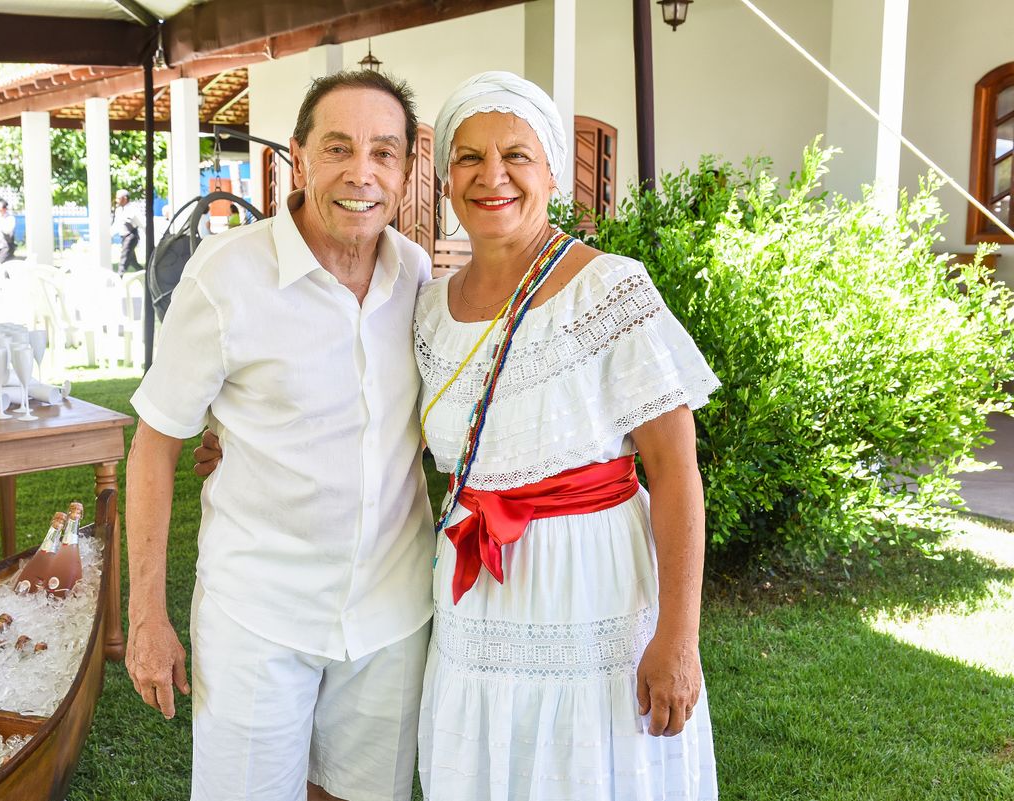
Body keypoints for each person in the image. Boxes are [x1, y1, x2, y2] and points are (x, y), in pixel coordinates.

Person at [194, 70, 722, 801]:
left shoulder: (613, 289)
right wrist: (244, 442)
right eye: (469, 157)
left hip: (590, 589)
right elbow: (376, 411)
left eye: (516, 156)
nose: (491, 176)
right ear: (442, 179)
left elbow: (677, 470)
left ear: (553, 173)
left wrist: (677, 636)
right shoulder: (429, 304)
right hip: (474, 598)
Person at [125, 70, 433, 801]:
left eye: (383, 152)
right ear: (299, 158)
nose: (361, 172)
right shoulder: (226, 276)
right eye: (338, 148)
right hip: (257, 614)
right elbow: (156, 445)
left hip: (391, 614)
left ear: (408, 170)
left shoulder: (417, 275)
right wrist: (146, 615)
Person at [113, 188, 143, 273]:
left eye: (119, 198)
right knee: (133, 261)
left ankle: (119, 276)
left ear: (125, 198)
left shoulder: (132, 209)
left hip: (131, 237)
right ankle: (145, 274)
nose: (117, 200)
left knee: (124, 258)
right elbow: (116, 224)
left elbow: (140, 223)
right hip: (124, 237)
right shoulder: (118, 210)